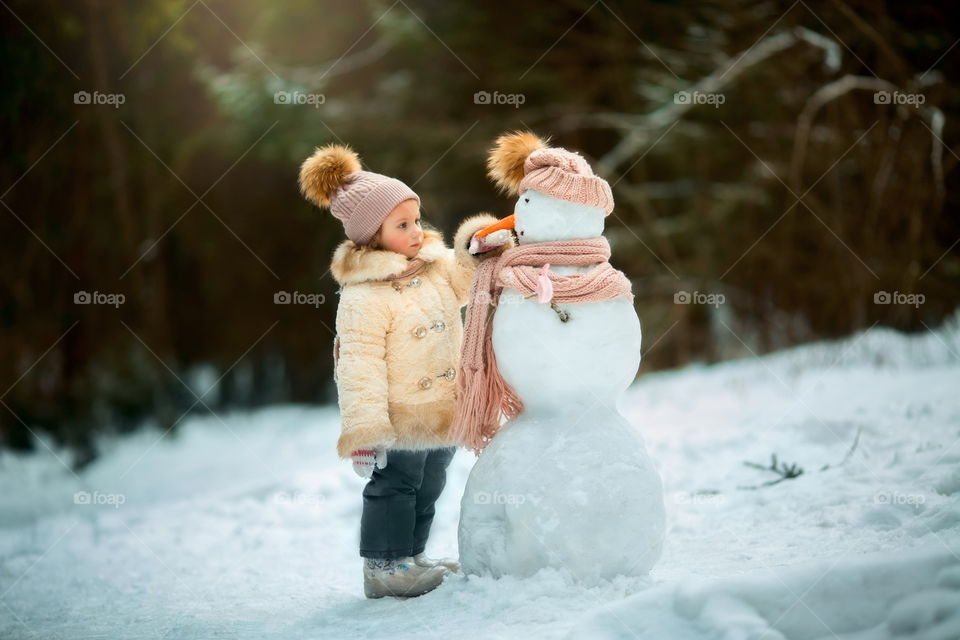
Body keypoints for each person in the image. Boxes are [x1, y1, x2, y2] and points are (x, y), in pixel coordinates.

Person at [298, 144, 513, 598]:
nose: (417, 231)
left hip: (442, 408)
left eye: (416, 220)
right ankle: (383, 566)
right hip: (398, 415)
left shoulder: (432, 268)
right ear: (372, 236)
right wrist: (365, 431)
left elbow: (464, 283)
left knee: (430, 483)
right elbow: (358, 365)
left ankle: (411, 556)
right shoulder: (363, 297)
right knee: (396, 485)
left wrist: (476, 250)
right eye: (402, 225)